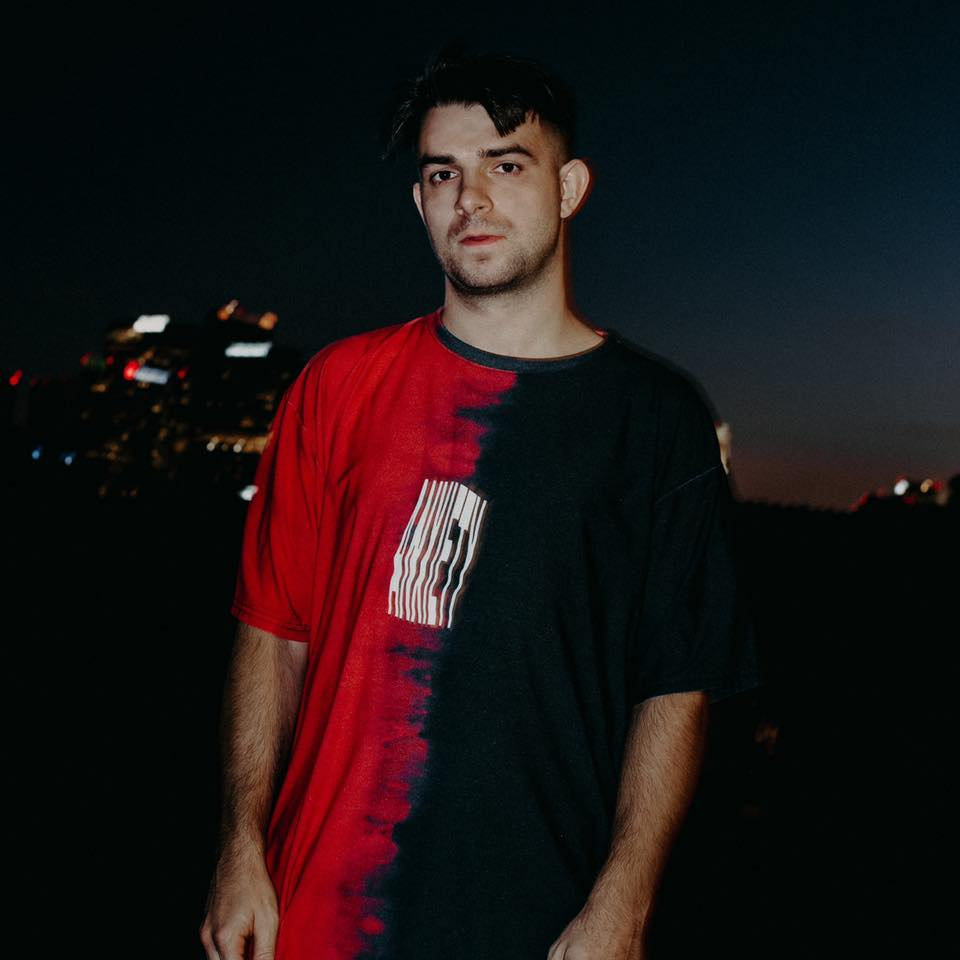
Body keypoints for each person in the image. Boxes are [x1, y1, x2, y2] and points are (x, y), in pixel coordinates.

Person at [200, 43, 762, 960]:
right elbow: (272, 636)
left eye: (506, 166)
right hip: (319, 909)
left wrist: (624, 902)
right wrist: (239, 849)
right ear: (419, 202)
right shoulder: (336, 387)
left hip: (543, 920)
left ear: (569, 187)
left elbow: (675, 685)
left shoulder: (655, 419)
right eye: (442, 173)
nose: (471, 199)